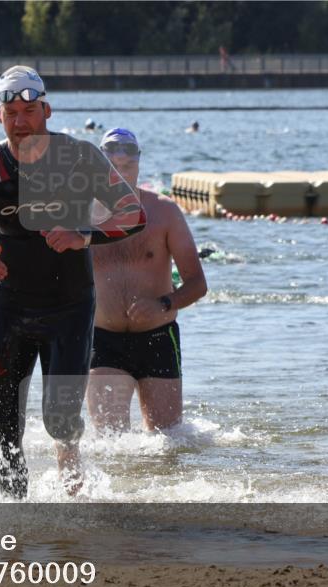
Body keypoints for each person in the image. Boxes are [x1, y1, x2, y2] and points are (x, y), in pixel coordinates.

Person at [0, 66, 146, 498]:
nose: (20, 121)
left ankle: (74, 485)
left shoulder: (81, 157)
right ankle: (18, 522)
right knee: (5, 426)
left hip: (69, 307)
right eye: (10, 112)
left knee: (60, 421)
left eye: (29, 111)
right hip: (10, 308)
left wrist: (83, 236)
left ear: (46, 111)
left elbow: (133, 214)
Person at [87, 128, 207, 433]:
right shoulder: (78, 215)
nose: (121, 174)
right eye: (113, 167)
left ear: (138, 165)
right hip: (103, 340)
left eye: (128, 167)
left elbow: (197, 283)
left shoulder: (164, 212)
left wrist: (163, 303)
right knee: (110, 444)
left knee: (169, 444)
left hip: (158, 337)